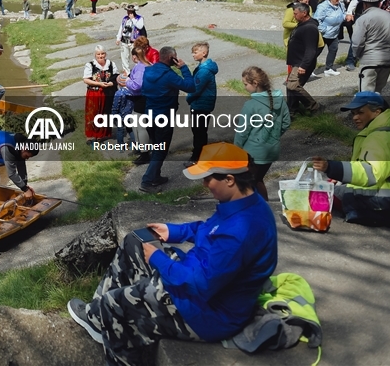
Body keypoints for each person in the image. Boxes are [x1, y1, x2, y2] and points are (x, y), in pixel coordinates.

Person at [67, 143, 277, 366]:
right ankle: (97, 318)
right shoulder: (244, 203)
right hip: (197, 283)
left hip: (205, 312)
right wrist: (175, 231)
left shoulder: (241, 230)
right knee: (134, 241)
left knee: (113, 303)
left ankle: (107, 322)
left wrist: (158, 258)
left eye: (208, 178)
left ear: (229, 179)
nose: (205, 184)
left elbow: (201, 284)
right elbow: (210, 230)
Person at [311, 92, 390, 226]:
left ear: (377, 112)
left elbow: (370, 173)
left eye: (360, 112)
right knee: (337, 185)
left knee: (330, 192)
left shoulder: (380, 137)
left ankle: (375, 215)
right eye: (353, 113)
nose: (355, 117)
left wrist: (331, 167)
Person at [140, 46, 196, 192]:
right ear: (172, 58)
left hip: (148, 115)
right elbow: (190, 87)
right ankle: (147, 181)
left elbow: (144, 91)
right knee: (161, 150)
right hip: (163, 116)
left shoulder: (148, 71)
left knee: (156, 147)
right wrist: (183, 68)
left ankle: (156, 176)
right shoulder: (169, 75)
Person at [233, 66, 290, 200]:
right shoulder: (279, 99)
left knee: (247, 184)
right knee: (258, 180)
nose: (244, 87)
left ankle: (256, 212)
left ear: (255, 83)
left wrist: (235, 150)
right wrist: (273, 137)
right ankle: (264, 209)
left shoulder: (250, 105)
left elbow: (242, 131)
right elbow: (286, 123)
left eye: (245, 84)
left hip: (253, 152)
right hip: (271, 150)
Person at [351, 0, 390, 93]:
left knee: (366, 93)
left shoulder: (363, 19)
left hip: (369, 60)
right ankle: (377, 108)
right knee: (378, 92)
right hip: (388, 59)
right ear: (379, 3)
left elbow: (357, 42)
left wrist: (356, 55)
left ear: (365, 4)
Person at [284, 3, 321, 114]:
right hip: (296, 62)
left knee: (293, 85)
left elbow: (311, 50)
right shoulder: (302, 24)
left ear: (304, 13)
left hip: (302, 63)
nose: (294, 16)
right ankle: (292, 111)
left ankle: (314, 107)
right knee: (290, 87)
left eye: (295, 14)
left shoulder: (309, 28)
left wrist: (304, 65)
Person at [185, 42, 218, 164]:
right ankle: (200, 155)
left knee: (199, 132)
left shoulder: (204, 71)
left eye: (195, 52)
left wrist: (188, 98)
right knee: (199, 131)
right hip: (202, 104)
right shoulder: (202, 68)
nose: (193, 55)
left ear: (204, 53)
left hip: (201, 105)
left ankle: (197, 157)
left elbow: (196, 89)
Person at [84, 46, 118, 143]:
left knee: (104, 113)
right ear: (95, 55)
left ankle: (102, 135)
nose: (100, 56)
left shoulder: (111, 64)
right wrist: (99, 84)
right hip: (94, 93)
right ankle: (91, 136)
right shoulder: (90, 65)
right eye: (98, 54)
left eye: (102, 53)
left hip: (107, 93)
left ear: (105, 54)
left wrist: (111, 83)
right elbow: (86, 80)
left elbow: (116, 77)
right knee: (93, 113)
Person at [127, 46, 152, 163]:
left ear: (134, 57)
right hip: (148, 98)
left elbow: (137, 85)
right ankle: (142, 148)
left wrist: (126, 81)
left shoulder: (140, 67)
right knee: (138, 123)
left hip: (141, 98)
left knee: (140, 126)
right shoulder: (149, 64)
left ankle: (144, 153)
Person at [314, 0, 345, 76]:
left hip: (334, 33)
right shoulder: (322, 7)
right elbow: (316, 20)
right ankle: (308, 69)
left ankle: (328, 68)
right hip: (323, 34)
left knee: (333, 49)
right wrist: (324, 30)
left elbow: (343, 13)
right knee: (316, 52)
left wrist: (347, 17)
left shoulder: (340, 5)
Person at [116, 4, 147, 72]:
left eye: (130, 11)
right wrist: (118, 38)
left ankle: (138, 70)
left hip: (134, 42)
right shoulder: (125, 18)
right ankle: (126, 72)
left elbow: (140, 26)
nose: (128, 13)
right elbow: (121, 28)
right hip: (124, 40)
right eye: (128, 11)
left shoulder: (139, 18)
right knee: (124, 57)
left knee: (136, 56)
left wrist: (133, 19)